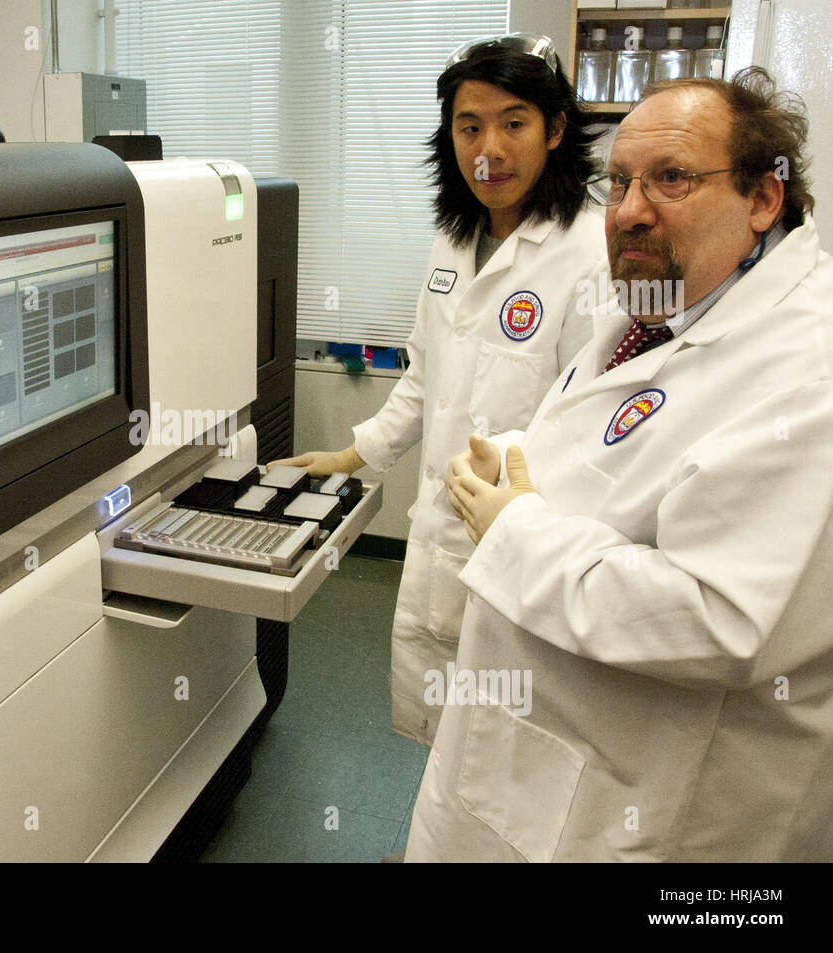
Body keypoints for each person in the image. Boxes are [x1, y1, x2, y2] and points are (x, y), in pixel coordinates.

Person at [413, 67, 833, 861]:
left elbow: (720, 621)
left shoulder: (806, 375)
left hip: (647, 805)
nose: (631, 211)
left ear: (764, 199)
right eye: (621, 182)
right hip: (539, 746)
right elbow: (598, 442)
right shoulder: (663, 305)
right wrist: (513, 463)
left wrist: (518, 534)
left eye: (672, 179)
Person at [271, 34, 606, 745]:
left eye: (513, 123)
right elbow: (427, 378)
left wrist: (524, 518)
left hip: (526, 537)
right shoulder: (455, 239)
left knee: (508, 735)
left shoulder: (591, 251)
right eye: (469, 125)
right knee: (444, 725)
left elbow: (588, 422)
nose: (489, 147)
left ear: (554, 129)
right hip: (444, 529)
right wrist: (352, 454)